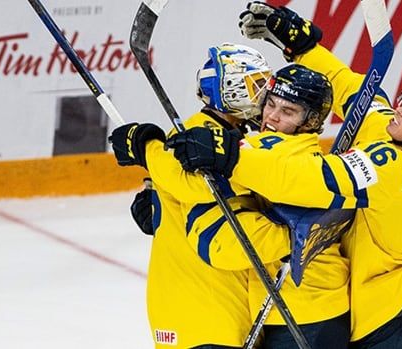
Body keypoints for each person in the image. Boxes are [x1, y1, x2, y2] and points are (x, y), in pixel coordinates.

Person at [168, 3, 402, 348]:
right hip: (370, 311)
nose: (401, 106)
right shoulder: (388, 130)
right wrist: (305, 50)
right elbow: (350, 89)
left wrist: (232, 156)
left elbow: (316, 181)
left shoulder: (396, 169)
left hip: (388, 327)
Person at [110, 43, 350, 348]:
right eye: (259, 87)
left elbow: (199, 182)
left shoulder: (237, 145)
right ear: (232, 88)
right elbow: (194, 184)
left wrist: (148, 149)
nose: (264, 102)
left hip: (228, 307)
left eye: (282, 105)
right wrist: (157, 190)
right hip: (202, 308)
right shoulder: (204, 139)